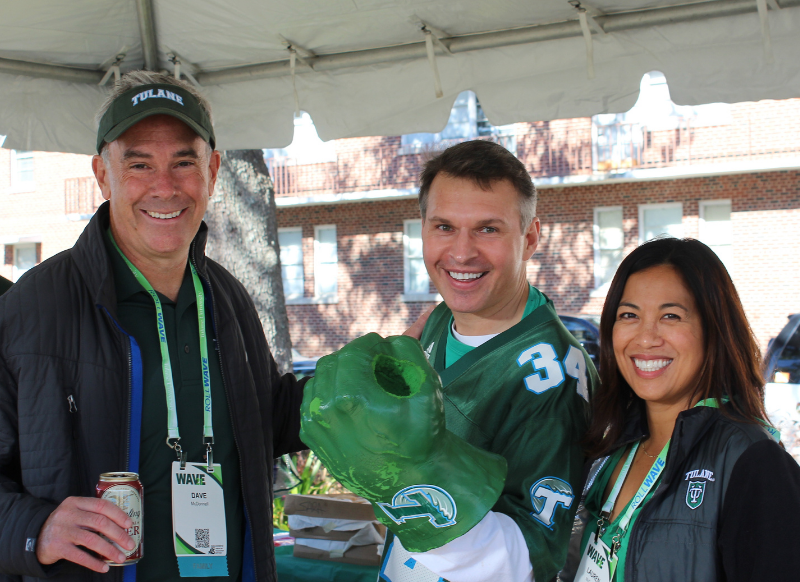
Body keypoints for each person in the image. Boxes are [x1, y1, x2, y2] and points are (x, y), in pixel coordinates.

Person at [0, 72, 305, 582]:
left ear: (212, 170)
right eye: (139, 164)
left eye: (183, 162)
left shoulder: (228, 300)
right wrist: (35, 528)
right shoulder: (32, 308)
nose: (164, 187)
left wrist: (365, 379)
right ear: (103, 174)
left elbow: (264, 423)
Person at [302, 140, 598, 582]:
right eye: (444, 227)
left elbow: (531, 556)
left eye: (487, 229)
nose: (461, 253)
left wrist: (404, 479)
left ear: (530, 237)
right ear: (422, 227)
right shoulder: (441, 318)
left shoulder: (552, 379)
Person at [561, 237, 800, 582]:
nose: (645, 338)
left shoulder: (754, 462)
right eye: (629, 315)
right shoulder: (606, 450)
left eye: (670, 316)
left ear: (713, 330)